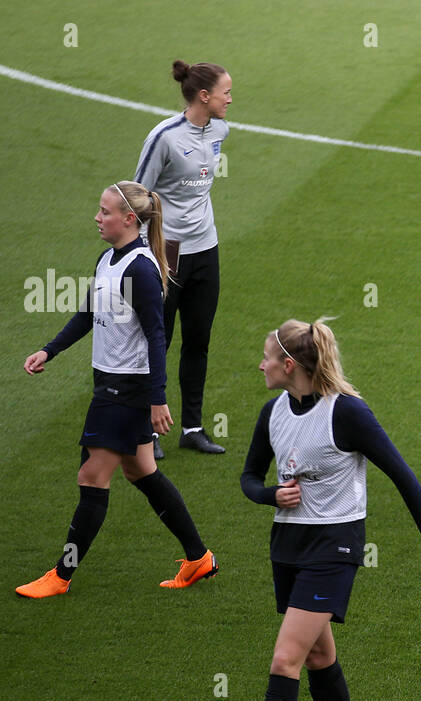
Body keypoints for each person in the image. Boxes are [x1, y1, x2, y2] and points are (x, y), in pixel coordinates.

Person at [209, 319, 421, 701]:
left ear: (290, 365)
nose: (261, 365)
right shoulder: (272, 413)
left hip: (335, 548)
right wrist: (268, 495)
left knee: (285, 661)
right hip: (287, 547)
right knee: (319, 658)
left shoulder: (347, 414)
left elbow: (403, 475)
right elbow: (249, 476)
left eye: (267, 358)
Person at [17, 182, 218, 598]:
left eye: (104, 211)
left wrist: (157, 398)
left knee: (92, 476)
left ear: (130, 219)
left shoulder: (140, 270)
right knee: (141, 471)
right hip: (110, 384)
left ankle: (61, 576)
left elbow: (157, 336)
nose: (97, 217)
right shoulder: (108, 259)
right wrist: (48, 350)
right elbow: (88, 314)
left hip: (124, 391)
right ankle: (198, 557)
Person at [135, 59, 232, 458]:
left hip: (206, 249)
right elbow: (136, 195)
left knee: (199, 340)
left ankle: (192, 427)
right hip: (166, 252)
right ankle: (147, 430)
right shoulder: (164, 137)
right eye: (226, 92)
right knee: (158, 340)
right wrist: (144, 253)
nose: (231, 99)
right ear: (203, 96)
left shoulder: (221, 129)